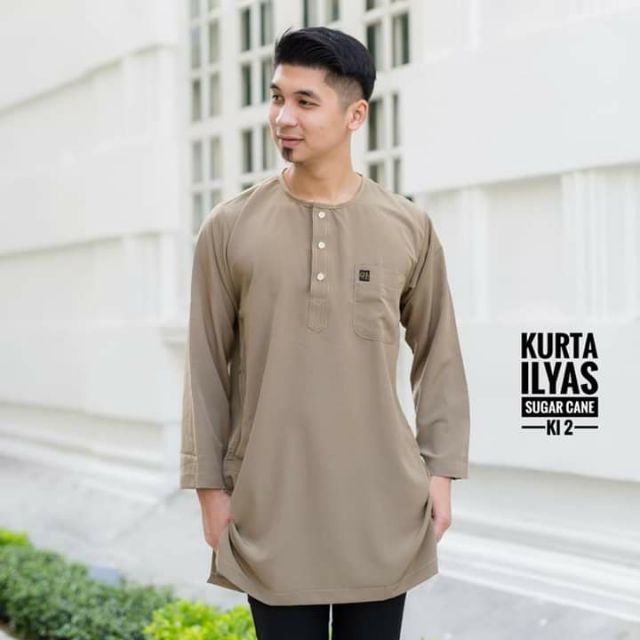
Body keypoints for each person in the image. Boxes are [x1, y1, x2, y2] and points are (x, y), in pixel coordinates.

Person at [180, 25, 471, 640]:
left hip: (382, 508)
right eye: (276, 97)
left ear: (354, 115)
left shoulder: (408, 227)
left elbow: (439, 353)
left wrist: (440, 473)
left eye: (305, 102)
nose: (283, 117)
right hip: (269, 507)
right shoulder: (229, 228)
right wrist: (209, 490)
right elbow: (204, 366)